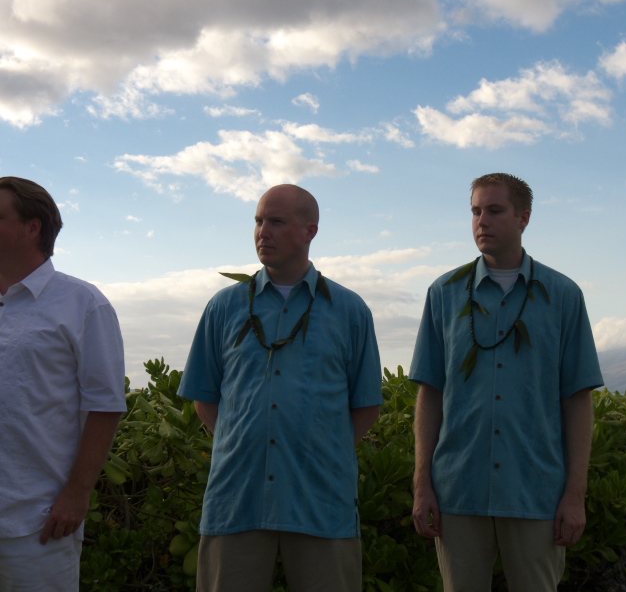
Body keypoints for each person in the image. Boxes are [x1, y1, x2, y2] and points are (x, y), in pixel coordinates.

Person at [178, 184, 383, 592]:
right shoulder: (224, 307)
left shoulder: (349, 310)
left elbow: (366, 407)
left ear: (310, 231)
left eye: (275, 222)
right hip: (237, 499)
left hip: (321, 502)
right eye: (258, 221)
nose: (262, 232)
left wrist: (320, 450)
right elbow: (205, 397)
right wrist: (242, 443)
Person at [410, 173, 603, 591]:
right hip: (458, 490)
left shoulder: (563, 296)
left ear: (523, 218)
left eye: (495, 210)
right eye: (476, 211)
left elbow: (577, 400)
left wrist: (575, 495)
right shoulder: (443, 293)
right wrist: (422, 485)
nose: (482, 221)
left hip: (535, 492)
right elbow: (431, 393)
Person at [0, 176, 126, 592]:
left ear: (32, 227)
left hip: (38, 523)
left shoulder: (83, 303)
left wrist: (77, 493)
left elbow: (105, 405)